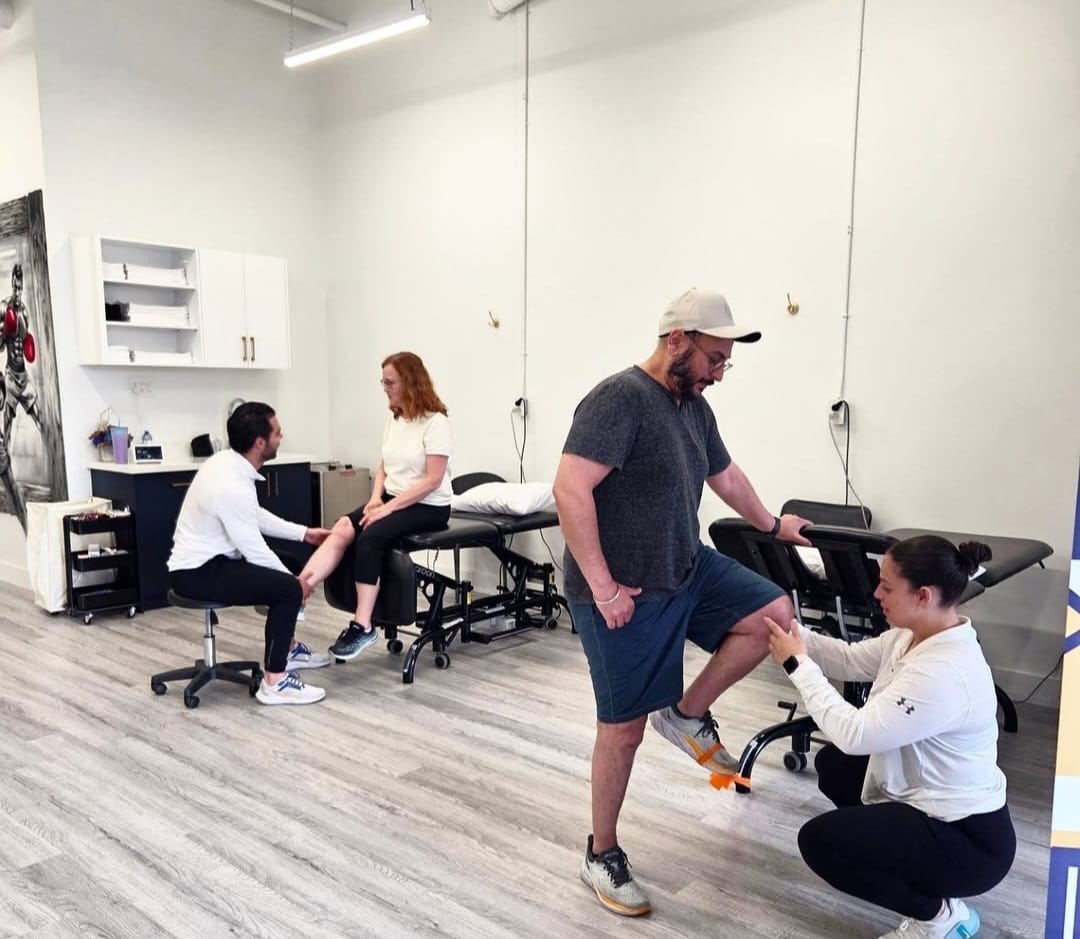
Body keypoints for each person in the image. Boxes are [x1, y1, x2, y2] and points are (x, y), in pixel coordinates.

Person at [552, 288, 812, 917]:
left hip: (686, 567)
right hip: (623, 591)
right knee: (622, 730)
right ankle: (601, 852)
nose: (719, 372)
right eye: (714, 359)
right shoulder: (619, 399)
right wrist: (604, 586)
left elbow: (726, 476)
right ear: (677, 341)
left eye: (725, 362)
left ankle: (686, 712)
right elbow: (569, 489)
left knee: (774, 614)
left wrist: (772, 524)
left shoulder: (693, 406)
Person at [766, 535, 1015, 939]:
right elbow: (848, 659)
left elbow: (854, 733)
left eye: (886, 586)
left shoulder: (945, 672)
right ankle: (907, 865)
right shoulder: (911, 634)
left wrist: (797, 664)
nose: (876, 594)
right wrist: (793, 632)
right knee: (834, 767)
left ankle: (940, 917)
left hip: (969, 842)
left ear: (923, 595)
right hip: (931, 806)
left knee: (820, 843)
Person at [167, 401, 333, 706]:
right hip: (197, 573)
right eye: (277, 433)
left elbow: (253, 515)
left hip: (213, 561)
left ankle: (288, 649)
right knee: (286, 589)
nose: (281, 437)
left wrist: (304, 533)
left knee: (291, 564)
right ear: (260, 443)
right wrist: (296, 585)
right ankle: (275, 682)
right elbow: (254, 550)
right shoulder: (230, 483)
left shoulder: (229, 463)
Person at [297, 351, 453, 659]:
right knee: (343, 526)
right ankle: (300, 589)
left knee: (370, 537)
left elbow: (433, 480)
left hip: (429, 505)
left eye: (390, 382)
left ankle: (363, 626)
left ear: (410, 381)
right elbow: (384, 465)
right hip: (393, 498)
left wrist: (387, 509)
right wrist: (375, 498)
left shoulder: (436, 422)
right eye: (383, 382)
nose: (385, 388)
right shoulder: (395, 419)